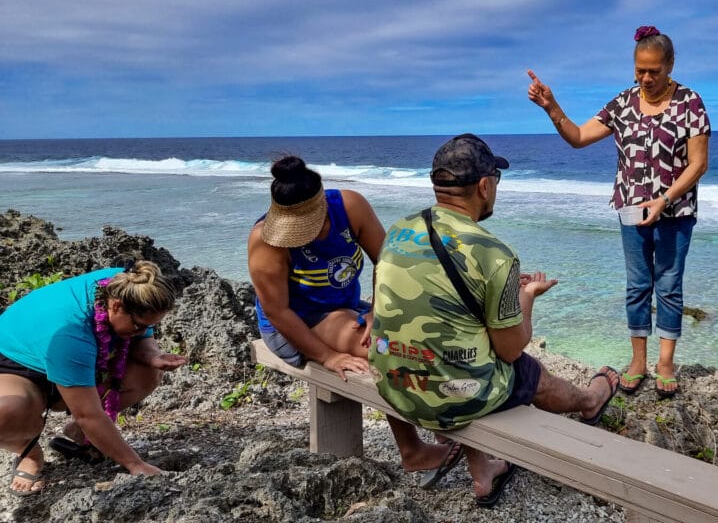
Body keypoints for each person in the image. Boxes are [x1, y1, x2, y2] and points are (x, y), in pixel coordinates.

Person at [369, 133, 620, 508]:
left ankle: (483, 471)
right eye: (496, 181)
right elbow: (510, 348)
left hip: (393, 382)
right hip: (449, 398)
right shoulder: (494, 254)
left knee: (461, 347)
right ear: (485, 186)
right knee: (526, 371)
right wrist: (527, 297)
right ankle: (589, 400)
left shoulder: (399, 229)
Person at [246, 155, 461, 488]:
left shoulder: (349, 207)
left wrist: (377, 312)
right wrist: (328, 357)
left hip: (347, 307)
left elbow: (388, 262)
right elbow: (278, 312)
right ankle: (413, 449)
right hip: (294, 324)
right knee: (382, 350)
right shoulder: (265, 240)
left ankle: (437, 420)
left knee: (422, 331)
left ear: (321, 211)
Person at [527, 25, 710, 399]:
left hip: (675, 212)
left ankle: (665, 365)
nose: (646, 78)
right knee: (637, 286)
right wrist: (552, 107)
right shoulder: (623, 102)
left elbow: (698, 164)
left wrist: (665, 199)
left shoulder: (690, 103)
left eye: (654, 71)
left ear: (671, 65)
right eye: (640, 70)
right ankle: (638, 362)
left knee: (670, 287)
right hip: (630, 209)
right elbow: (578, 137)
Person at [0, 261, 186, 495]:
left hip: (73, 354)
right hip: (17, 363)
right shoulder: (72, 335)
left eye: (150, 326)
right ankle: (28, 452)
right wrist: (136, 465)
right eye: (139, 326)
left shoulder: (131, 283)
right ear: (116, 306)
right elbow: (88, 414)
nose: (143, 332)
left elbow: (142, 335)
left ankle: (80, 434)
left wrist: (153, 356)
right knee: (7, 411)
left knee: (147, 372)